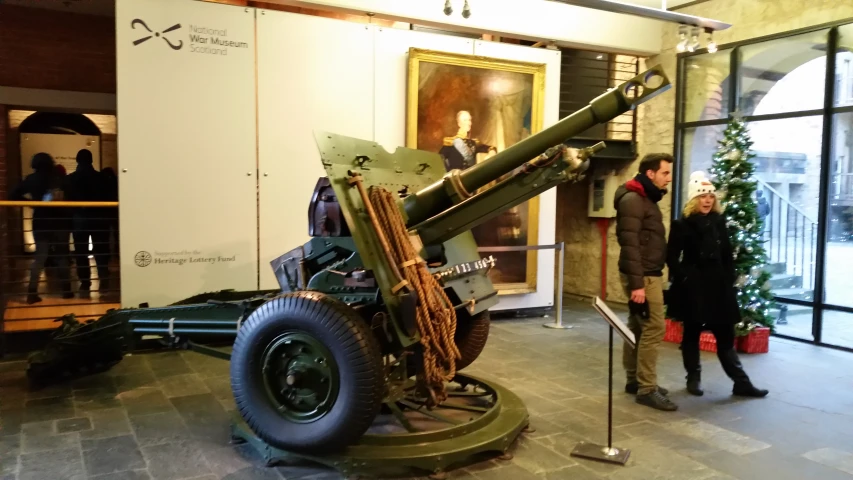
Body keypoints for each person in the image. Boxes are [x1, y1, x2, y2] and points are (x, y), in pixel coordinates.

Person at [666, 172, 769, 398]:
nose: (707, 200)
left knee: (725, 336)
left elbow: (726, 255)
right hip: (693, 289)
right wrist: (685, 278)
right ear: (694, 199)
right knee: (691, 334)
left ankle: (741, 382)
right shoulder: (681, 225)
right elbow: (672, 257)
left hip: (719, 288)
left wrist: (729, 279)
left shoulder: (719, 222)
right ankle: (693, 378)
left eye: (711, 196)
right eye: (703, 197)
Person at [614, 153, 677, 411]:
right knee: (654, 328)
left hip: (645, 272)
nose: (669, 178)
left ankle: (634, 381)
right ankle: (647, 388)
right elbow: (629, 244)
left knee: (638, 327)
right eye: (665, 173)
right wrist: (638, 284)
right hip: (643, 275)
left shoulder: (644, 197)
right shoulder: (633, 200)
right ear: (650, 173)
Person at [8, 152, 73, 303]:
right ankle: (67, 291)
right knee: (62, 257)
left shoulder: (32, 179)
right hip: (60, 222)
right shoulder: (59, 179)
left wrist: (32, 203)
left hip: (41, 221)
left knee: (40, 258)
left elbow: (13, 195)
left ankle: (32, 292)